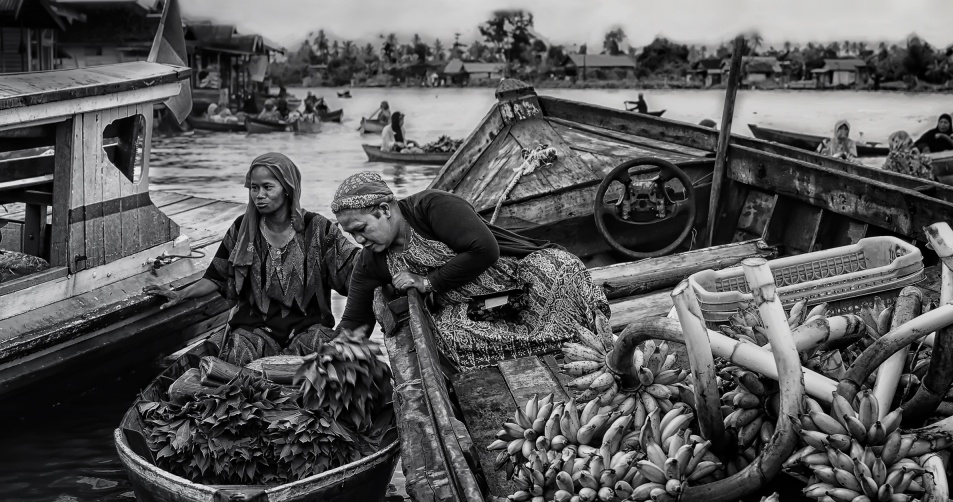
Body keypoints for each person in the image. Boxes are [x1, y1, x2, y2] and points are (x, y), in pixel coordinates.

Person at [330, 172, 609, 370]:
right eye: (351, 234)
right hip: (484, 306)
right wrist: (330, 353)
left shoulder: (431, 207)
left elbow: (484, 249)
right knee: (449, 335)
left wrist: (427, 282)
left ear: (383, 209)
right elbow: (356, 320)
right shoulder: (371, 260)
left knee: (560, 270)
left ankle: (581, 339)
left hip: (520, 281)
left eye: (361, 229)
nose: (359, 240)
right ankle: (561, 343)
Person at [145, 153, 359, 366]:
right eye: (254, 188)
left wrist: (384, 260)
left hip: (308, 327)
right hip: (256, 328)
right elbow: (217, 276)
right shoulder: (242, 228)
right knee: (237, 355)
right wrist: (180, 294)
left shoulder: (318, 228)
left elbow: (355, 268)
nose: (259, 195)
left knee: (326, 354)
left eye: (267, 187)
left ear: (287, 188)